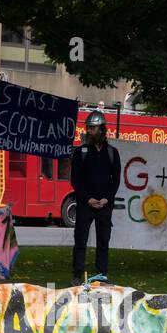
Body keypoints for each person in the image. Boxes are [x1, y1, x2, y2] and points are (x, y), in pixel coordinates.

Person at [70, 110, 122, 284]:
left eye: (92, 128)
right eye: (88, 128)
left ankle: (101, 275)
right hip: (86, 205)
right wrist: (87, 199)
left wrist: (107, 198)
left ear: (101, 129)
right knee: (80, 240)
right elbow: (75, 180)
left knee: (103, 241)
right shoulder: (81, 152)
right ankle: (77, 275)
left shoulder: (112, 153)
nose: (89, 131)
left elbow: (115, 180)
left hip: (105, 206)